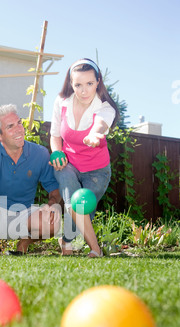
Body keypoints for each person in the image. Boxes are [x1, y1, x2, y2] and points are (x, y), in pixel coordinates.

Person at [0, 104, 62, 255]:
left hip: (25, 215)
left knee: (52, 222)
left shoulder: (40, 153)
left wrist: (52, 205)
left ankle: (23, 244)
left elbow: (54, 188)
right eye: (10, 126)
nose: (19, 129)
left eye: (19, 123)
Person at [50, 58, 120, 257]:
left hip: (97, 170)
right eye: (78, 84)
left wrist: (94, 134)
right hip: (67, 163)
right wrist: (57, 151)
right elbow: (55, 134)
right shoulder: (61, 102)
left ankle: (67, 240)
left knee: (84, 207)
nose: (84, 90)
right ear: (71, 84)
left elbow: (100, 124)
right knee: (74, 200)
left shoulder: (105, 107)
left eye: (89, 83)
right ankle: (95, 249)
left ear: (98, 82)